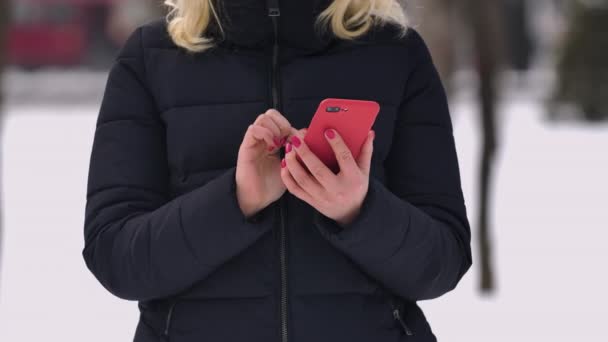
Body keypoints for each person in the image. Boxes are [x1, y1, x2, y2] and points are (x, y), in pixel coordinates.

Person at [82, 1, 472, 341]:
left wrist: (360, 211)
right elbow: (116, 258)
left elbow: (442, 263)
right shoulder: (151, 57)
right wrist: (236, 201)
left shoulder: (396, 53)